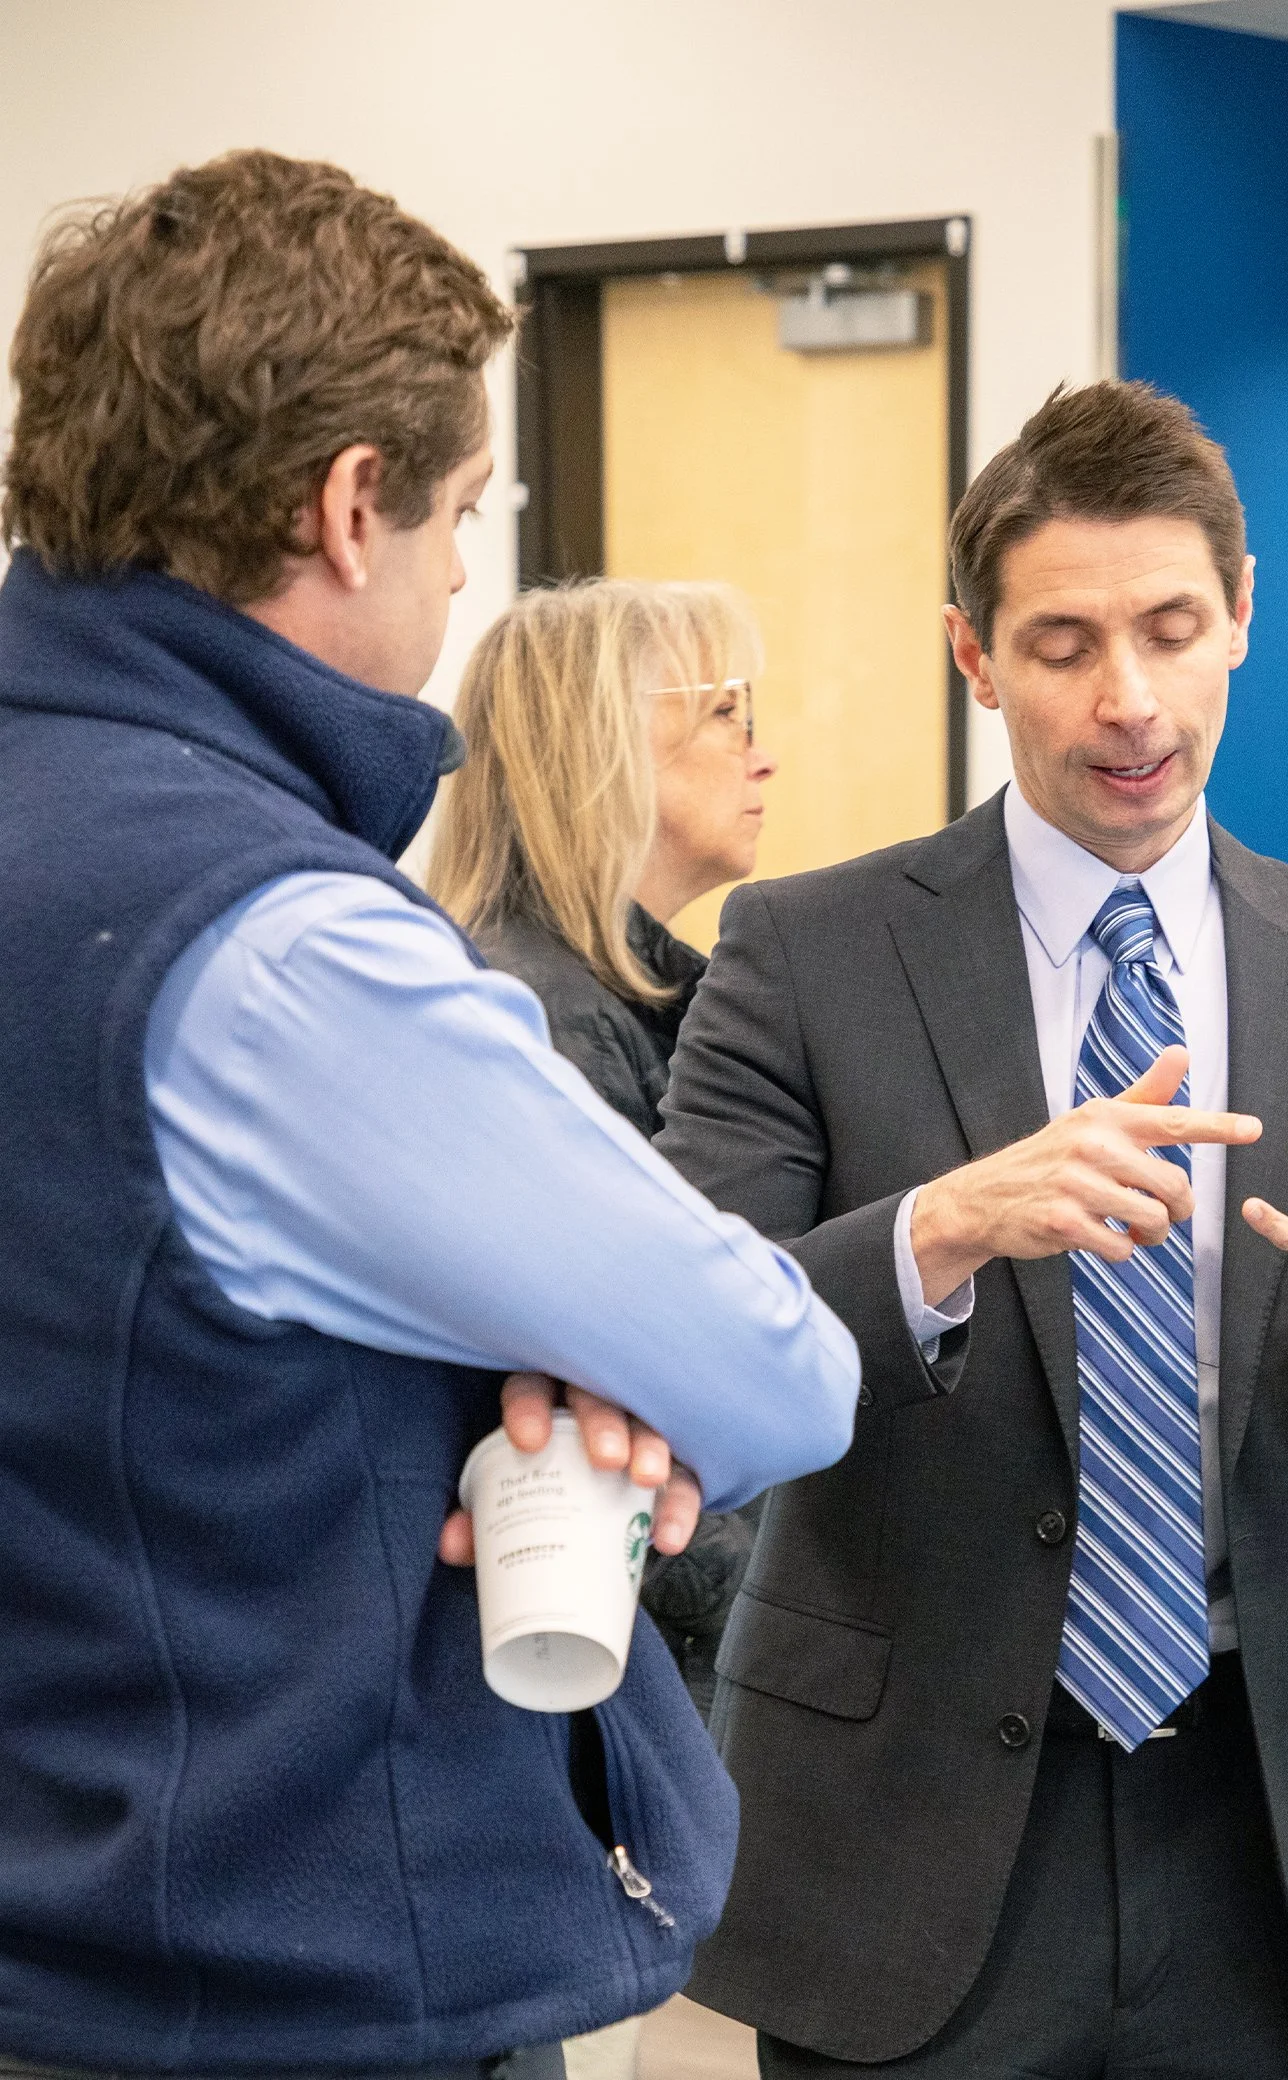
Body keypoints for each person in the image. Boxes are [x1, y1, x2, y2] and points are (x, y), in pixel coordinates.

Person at [0, 150, 858, 2078]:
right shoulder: (284, 954)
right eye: (465, 515)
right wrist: (575, 1391)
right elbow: (778, 1365)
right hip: (293, 1975)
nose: (467, 580)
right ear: (350, 505)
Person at [650, 379, 1288, 2079]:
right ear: (973, 654)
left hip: (1259, 1837)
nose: (1126, 701)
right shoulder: (810, 955)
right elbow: (692, 1347)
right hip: (910, 1841)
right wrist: (940, 1230)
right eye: (1062, 645)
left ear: (1243, 621)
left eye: (1168, 629)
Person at [430, 577, 778, 1719]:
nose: (759, 754)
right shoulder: (541, 1020)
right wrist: (812, 1641)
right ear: (600, 745)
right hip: (614, 1681)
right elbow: (613, 1405)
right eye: (725, 711)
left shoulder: (627, 999)